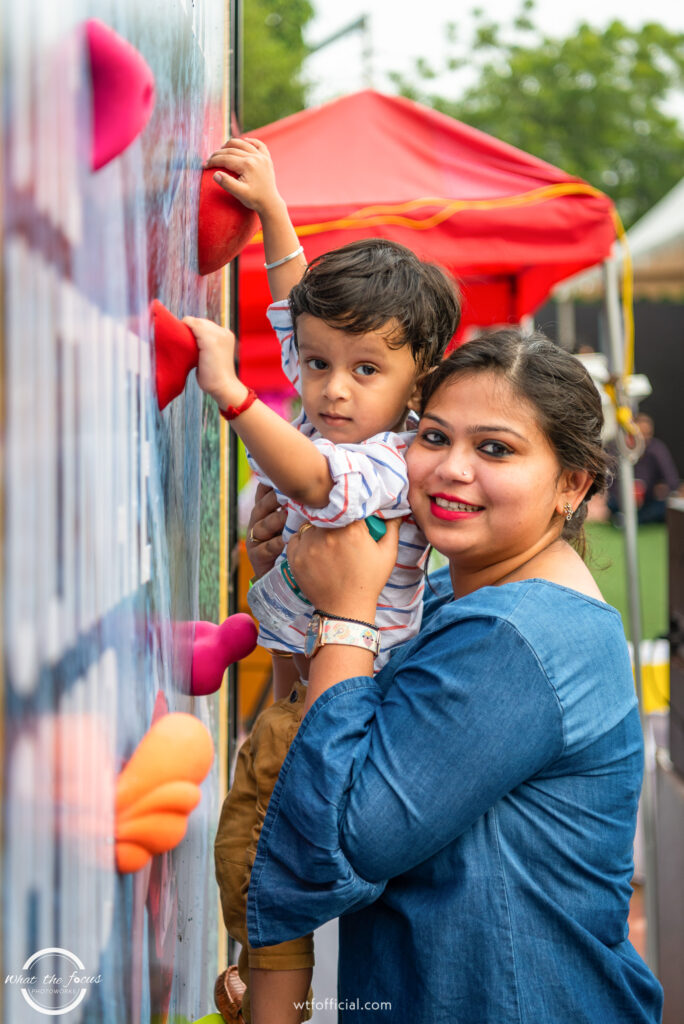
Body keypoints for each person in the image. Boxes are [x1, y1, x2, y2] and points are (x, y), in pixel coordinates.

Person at [242, 328, 664, 1023]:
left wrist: (346, 612)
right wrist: (299, 599)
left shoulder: (515, 636)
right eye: (434, 437)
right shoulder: (445, 597)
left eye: (495, 449)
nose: (450, 469)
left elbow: (342, 834)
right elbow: (317, 739)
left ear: (572, 485)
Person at [186, 137, 460, 1024]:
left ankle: (269, 1007)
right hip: (290, 695)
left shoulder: (389, 460)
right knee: (251, 861)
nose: (334, 389)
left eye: (366, 369)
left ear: (419, 379)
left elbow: (313, 483)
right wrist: (271, 208)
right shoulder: (333, 414)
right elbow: (290, 306)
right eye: (317, 365)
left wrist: (232, 395)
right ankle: (255, 986)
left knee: (263, 871)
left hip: (325, 711)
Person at [608, 412, 680, 526]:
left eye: (648, 434)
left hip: (648, 502)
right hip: (620, 502)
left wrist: (661, 489)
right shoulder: (618, 450)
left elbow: (672, 481)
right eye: (640, 433)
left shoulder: (657, 450)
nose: (644, 438)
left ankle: (628, 520)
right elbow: (607, 482)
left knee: (664, 506)